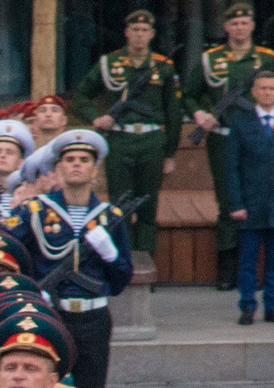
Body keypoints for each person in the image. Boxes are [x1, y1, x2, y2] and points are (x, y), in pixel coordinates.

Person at [18, 130, 130, 388]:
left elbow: (120, 281)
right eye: (69, 159)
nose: (76, 164)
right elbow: (11, 257)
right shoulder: (36, 212)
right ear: (58, 169)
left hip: (93, 318)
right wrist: (31, 291)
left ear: (95, 170)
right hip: (51, 314)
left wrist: (110, 254)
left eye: (84, 159)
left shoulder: (110, 217)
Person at [187, 2, 274, 291]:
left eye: (244, 23)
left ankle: (253, 270)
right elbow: (189, 95)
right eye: (234, 24)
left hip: (258, 139)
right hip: (223, 138)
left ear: (252, 26)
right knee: (228, 202)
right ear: (226, 27)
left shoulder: (267, 60)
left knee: (258, 199)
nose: (239, 28)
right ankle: (228, 271)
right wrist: (199, 114)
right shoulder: (210, 59)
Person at [75, 10, 181, 260]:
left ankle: (145, 261)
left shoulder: (163, 67)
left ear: (152, 34)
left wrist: (170, 153)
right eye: (135, 30)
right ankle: (120, 261)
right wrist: (95, 117)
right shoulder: (109, 63)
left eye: (145, 31)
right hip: (119, 140)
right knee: (119, 205)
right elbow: (81, 95)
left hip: (151, 140)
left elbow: (173, 112)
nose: (139, 35)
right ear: (126, 32)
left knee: (147, 205)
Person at [228, 70, 274, 324]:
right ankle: (248, 306)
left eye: (272, 89)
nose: (267, 93)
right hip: (250, 203)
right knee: (248, 261)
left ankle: (273, 307)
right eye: (262, 89)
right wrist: (236, 203)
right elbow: (232, 167)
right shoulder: (241, 123)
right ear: (254, 92)